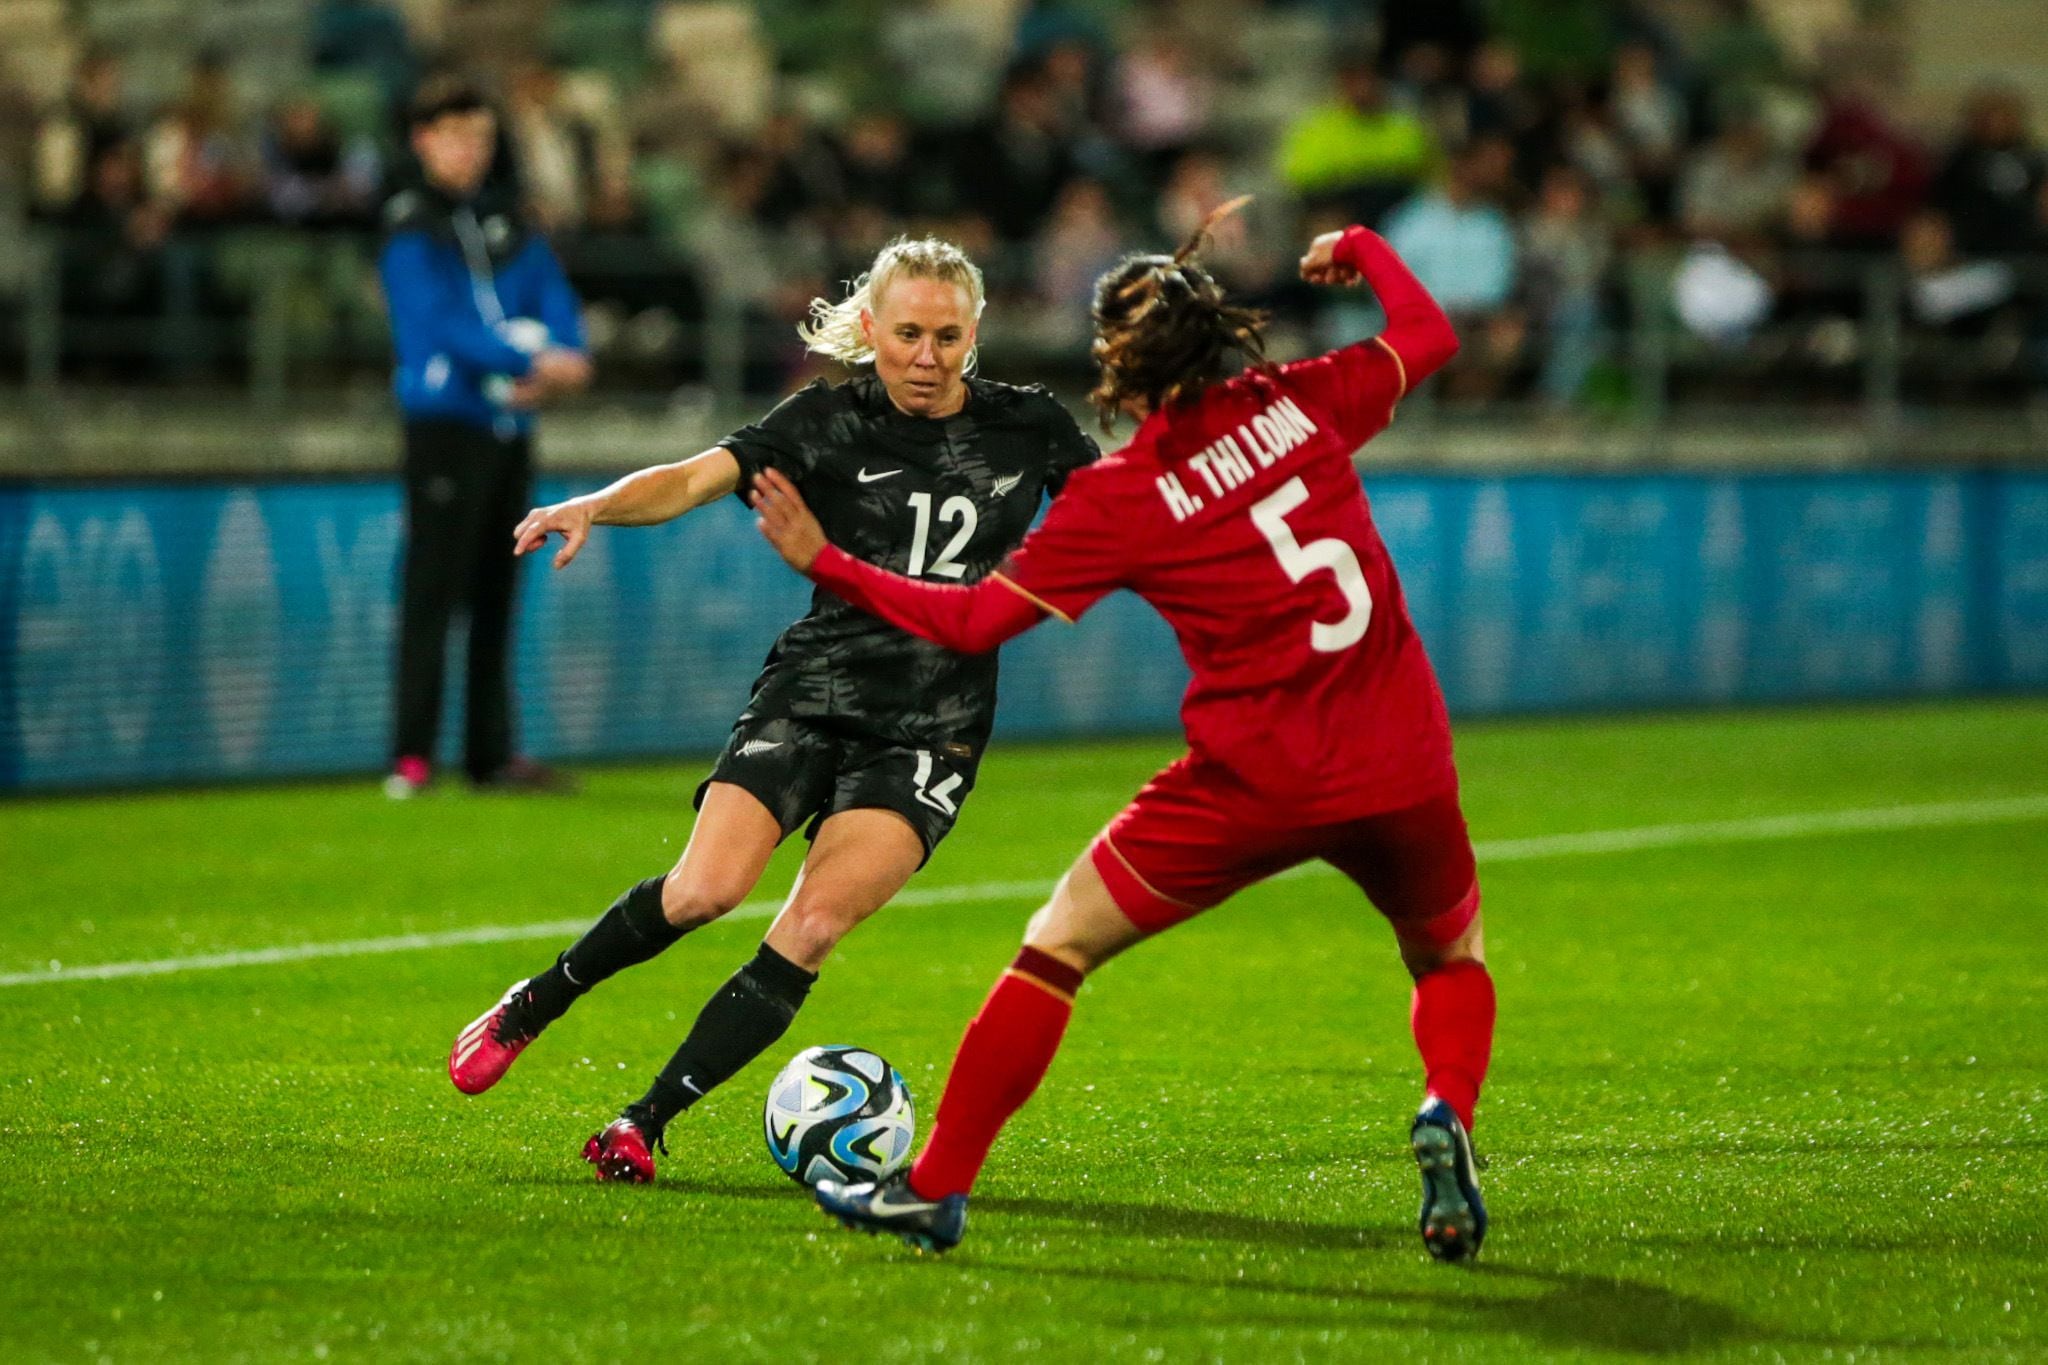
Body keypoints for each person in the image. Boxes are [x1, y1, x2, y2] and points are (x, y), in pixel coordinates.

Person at [751, 208, 1494, 1263]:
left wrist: (825, 561)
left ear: (1116, 363)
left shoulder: (1121, 497)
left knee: (1057, 945)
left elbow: (967, 621)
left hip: (1252, 779)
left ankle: (931, 1189)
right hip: (1401, 758)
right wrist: (1365, 247)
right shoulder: (1302, 399)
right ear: (1218, 339)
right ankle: (1443, 1113)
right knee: (1448, 955)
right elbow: (1431, 338)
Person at [448, 236, 1101, 1184]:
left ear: (975, 333)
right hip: (817, 690)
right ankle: (537, 1000)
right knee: (703, 890)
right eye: (907, 332)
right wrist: (595, 501)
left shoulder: (1031, 425)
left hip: (933, 726)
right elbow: (692, 477)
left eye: (947, 335)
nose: (926, 356)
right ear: (870, 327)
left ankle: (642, 1120)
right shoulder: (827, 420)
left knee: (811, 927)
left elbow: (1129, 510)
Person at [379, 77, 592, 797]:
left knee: (499, 594)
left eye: (480, 137)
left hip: (508, 428)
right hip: (445, 424)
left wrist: (565, 358)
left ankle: (490, 754)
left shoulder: (508, 221)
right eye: (456, 136)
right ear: (424, 140)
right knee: (432, 591)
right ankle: (411, 754)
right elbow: (434, 321)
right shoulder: (411, 224)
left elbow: (553, 297)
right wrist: (528, 361)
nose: (471, 151)